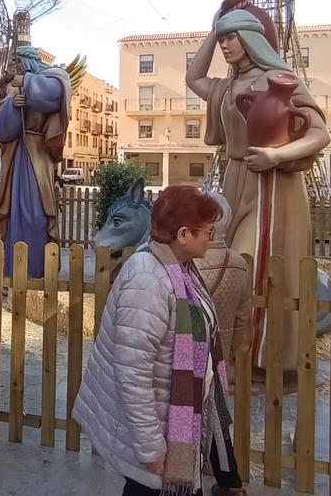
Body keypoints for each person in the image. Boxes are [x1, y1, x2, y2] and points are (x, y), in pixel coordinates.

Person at [73, 186, 246, 496]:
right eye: (206, 231)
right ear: (183, 234)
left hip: (169, 416)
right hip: (154, 425)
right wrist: (150, 444)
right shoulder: (148, 278)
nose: (211, 237)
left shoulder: (178, 268)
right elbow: (132, 371)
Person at [186, 0, 329, 371]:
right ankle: (233, 355)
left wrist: (277, 156)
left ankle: (263, 356)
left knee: (250, 262)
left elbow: (319, 133)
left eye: (231, 37)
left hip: (272, 184)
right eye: (222, 40)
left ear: (252, 39)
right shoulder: (226, 86)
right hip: (236, 177)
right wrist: (213, 25)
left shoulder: (278, 80)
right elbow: (194, 78)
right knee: (231, 262)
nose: (225, 46)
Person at [0, 44, 71, 278]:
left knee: (38, 214)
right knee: (16, 213)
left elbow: (55, 95)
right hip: (17, 161)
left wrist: (25, 81)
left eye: (20, 64)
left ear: (29, 62)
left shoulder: (53, 78)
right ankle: (15, 274)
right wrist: (13, 107)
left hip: (39, 159)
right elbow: (2, 132)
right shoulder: (16, 92)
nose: (18, 69)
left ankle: (37, 273)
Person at [193, 193, 251, 379]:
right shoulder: (239, 263)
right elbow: (242, 321)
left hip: (185, 357)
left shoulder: (186, 261)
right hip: (221, 359)